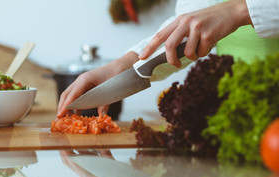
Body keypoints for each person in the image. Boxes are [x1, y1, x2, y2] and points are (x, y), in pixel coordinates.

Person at [57, 0, 279, 118]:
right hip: (241, 115)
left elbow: (224, 12)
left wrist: (242, 10)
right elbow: (193, 21)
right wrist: (128, 63)